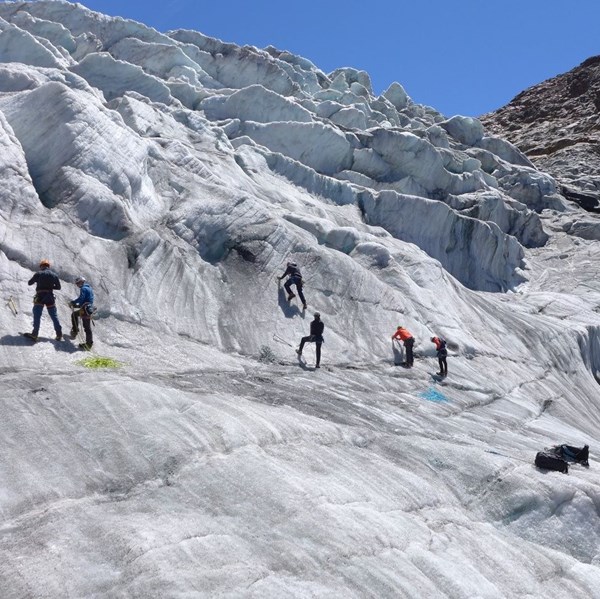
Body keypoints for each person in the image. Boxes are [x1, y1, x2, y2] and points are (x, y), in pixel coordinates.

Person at [25, 259, 62, 341]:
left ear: (42, 266)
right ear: (48, 266)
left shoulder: (39, 273)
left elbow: (29, 283)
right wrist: (50, 287)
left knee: (37, 315)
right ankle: (59, 334)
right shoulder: (54, 275)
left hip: (40, 296)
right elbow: (59, 287)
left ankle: (35, 334)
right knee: (54, 315)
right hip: (50, 297)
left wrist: (38, 281)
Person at [69, 276, 95, 350]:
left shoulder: (83, 288)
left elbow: (81, 299)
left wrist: (73, 303)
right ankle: (75, 330)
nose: (77, 285)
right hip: (88, 308)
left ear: (81, 282)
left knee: (86, 327)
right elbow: (88, 299)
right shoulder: (89, 288)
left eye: (78, 283)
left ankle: (88, 344)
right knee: (74, 314)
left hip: (85, 308)